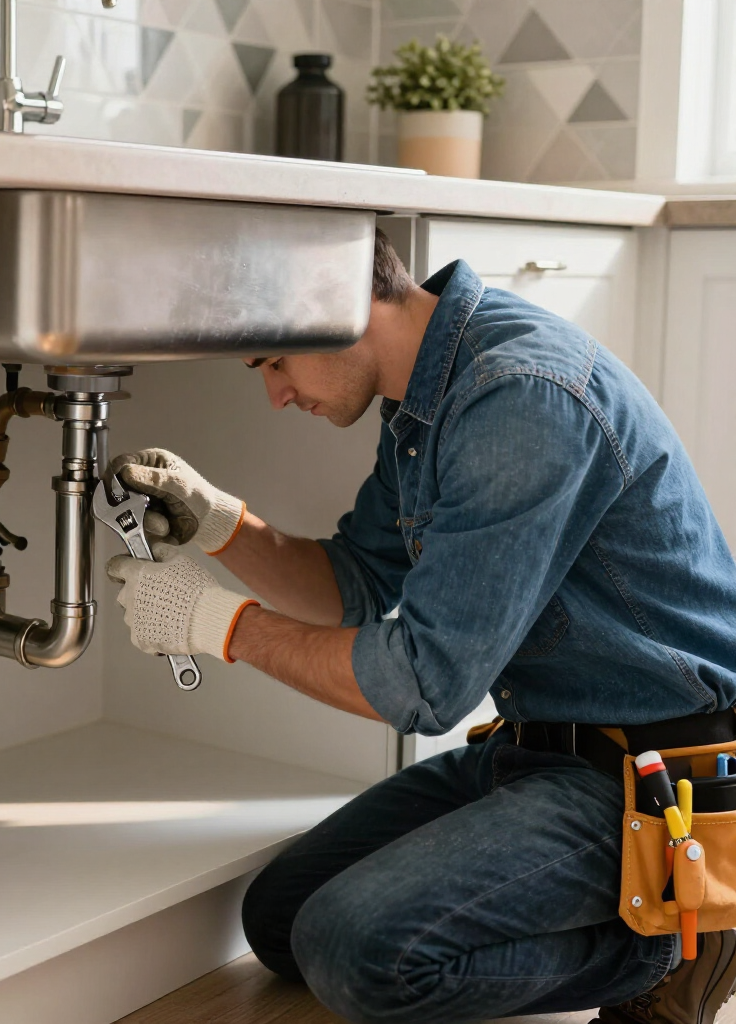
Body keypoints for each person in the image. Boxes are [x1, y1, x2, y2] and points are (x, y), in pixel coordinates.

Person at [104, 230, 736, 1024]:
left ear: (336, 306)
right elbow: (357, 587)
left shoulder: (519, 397)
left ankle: (674, 941)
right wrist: (221, 523)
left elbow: (425, 684)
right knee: (279, 923)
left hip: (651, 777)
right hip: (537, 747)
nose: (276, 395)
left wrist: (221, 625)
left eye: (273, 362)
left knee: (355, 951)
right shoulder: (429, 392)